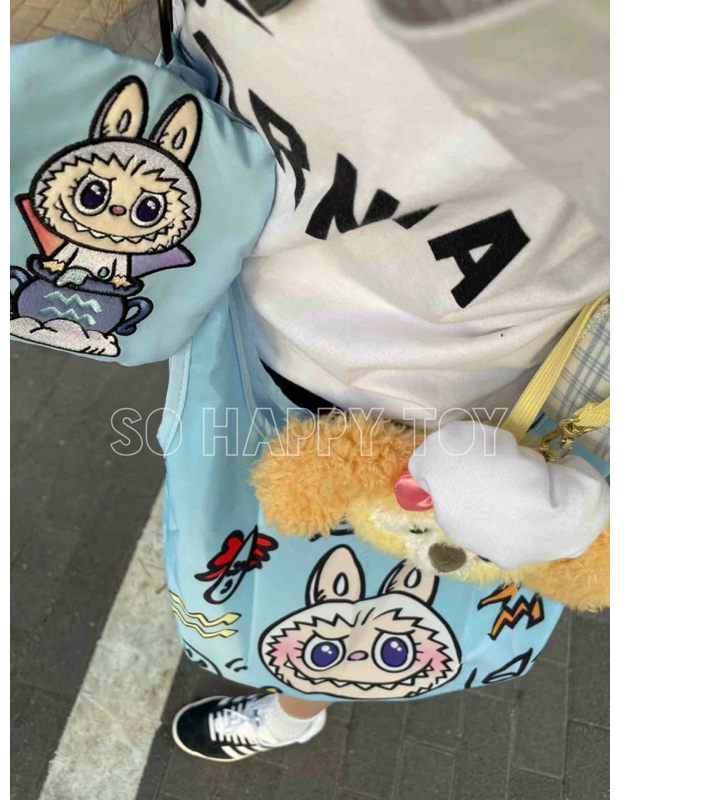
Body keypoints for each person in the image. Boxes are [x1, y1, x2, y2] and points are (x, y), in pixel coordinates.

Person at [162, 0, 610, 762]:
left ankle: (297, 707)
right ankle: (296, 704)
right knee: (293, 583)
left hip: (497, 423)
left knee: (361, 594)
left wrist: (590, 507)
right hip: (256, 331)